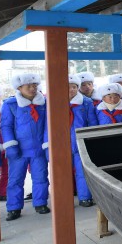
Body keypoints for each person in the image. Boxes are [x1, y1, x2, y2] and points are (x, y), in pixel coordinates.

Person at [43, 74, 97, 207]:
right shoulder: (53, 103)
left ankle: (85, 197)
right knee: (62, 173)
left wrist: (93, 139)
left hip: (80, 142)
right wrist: (47, 144)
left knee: (82, 171)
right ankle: (63, 198)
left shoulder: (86, 102)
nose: (71, 90)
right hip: (61, 144)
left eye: (74, 87)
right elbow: (47, 125)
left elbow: (92, 122)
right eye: (68, 87)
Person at [1, 73, 49, 220]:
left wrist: (47, 145)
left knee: (41, 177)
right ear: (19, 87)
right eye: (28, 86)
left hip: (38, 149)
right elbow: (6, 126)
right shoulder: (10, 104)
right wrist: (10, 145)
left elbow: (48, 125)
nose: (32, 88)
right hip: (19, 150)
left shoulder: (44, 103)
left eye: (34, 85)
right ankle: (14, 207)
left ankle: (40, 203)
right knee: (15, 179)